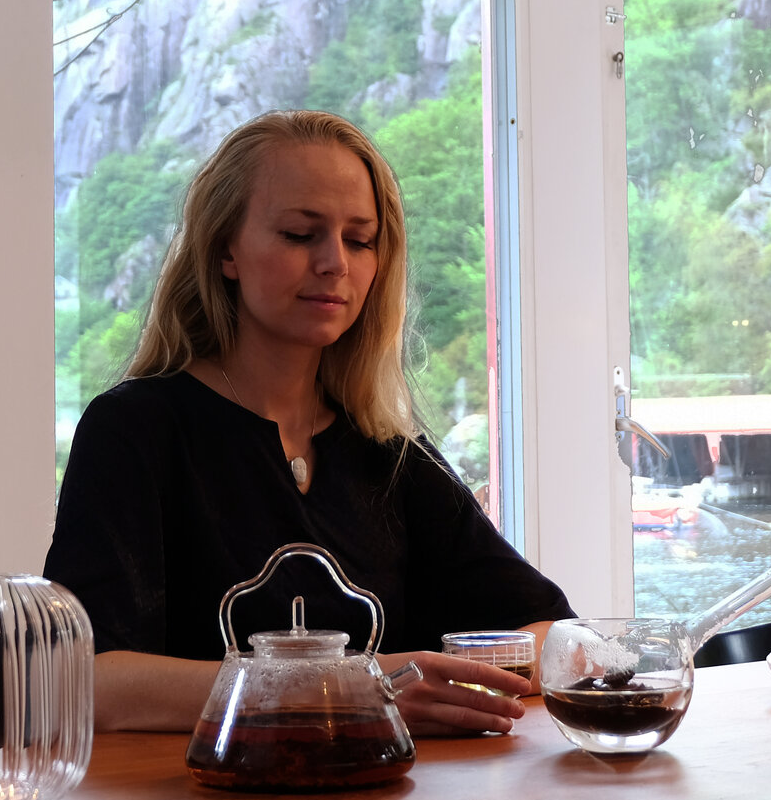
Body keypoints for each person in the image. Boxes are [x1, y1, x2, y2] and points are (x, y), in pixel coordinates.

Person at [46, 110, 571, 735]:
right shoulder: (135, 430)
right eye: (300, 234)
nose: (335, 264)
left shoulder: (390, 452)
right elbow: (86, 681)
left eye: (360, 239)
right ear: (225, 252)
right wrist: (354, 690)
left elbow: (552, 634)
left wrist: (456, 677)